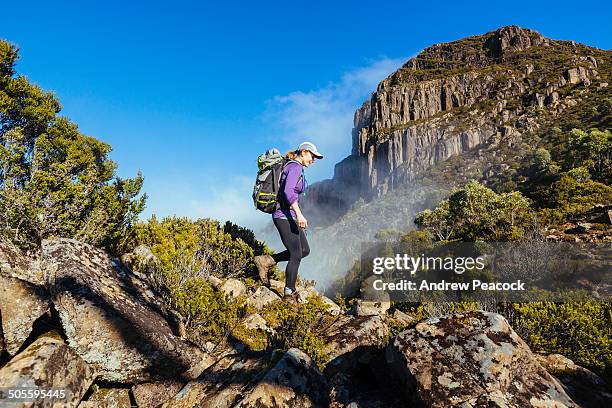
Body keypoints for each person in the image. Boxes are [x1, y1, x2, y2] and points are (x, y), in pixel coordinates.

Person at [253, 141, 323, 303]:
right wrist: (299, 215)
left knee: (304, 250)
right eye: (312, 156)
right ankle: (289, 293)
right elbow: (287, 191)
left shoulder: (295, 167)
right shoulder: (295, 167)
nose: (313, 160)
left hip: (289, 215)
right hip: (283, 215)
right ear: (304, 152)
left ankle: (267, 261)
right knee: (296, 254)